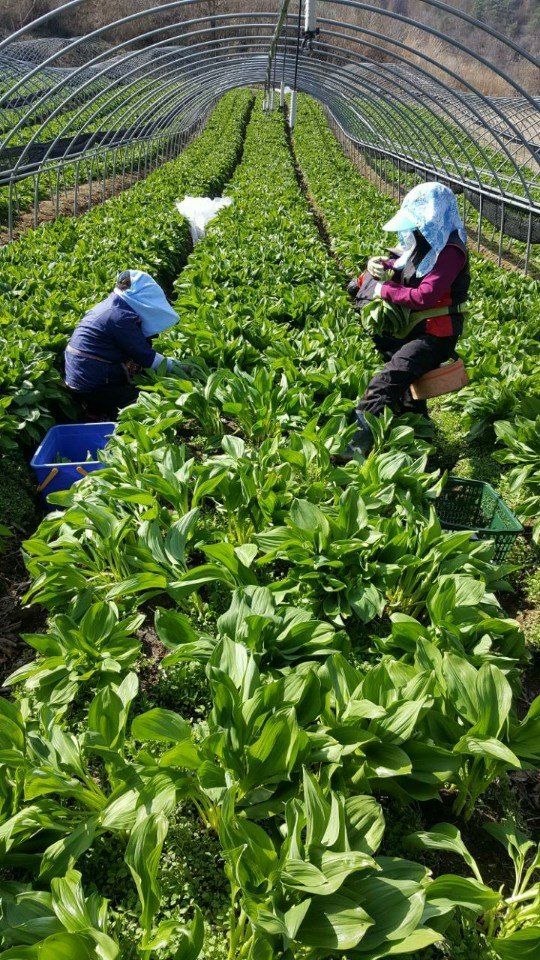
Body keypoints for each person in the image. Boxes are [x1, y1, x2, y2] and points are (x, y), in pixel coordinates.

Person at [344, 182, 470, 458]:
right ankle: (425, 448)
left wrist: (383, 289)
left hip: (436, 334)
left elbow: (426, 295)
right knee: (406, 390)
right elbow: (406, 265)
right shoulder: (425, 240)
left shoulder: (451, 251)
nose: (413, 228)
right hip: (415, 328)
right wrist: (380, 265)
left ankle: (352, 449)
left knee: (389, 379)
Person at [65, 269, 180, 419]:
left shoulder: (114, 304)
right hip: (92, 381)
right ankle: (104, 414)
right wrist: (177, 366)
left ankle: (97, 410)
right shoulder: (119, 317)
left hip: (82, 374)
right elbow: (145, 357)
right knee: (150, 402)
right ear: (141, 296)